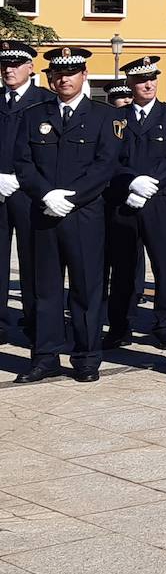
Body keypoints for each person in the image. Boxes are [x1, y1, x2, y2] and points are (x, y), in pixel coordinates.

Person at [13, 47, 121, 383]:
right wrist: (46, 194)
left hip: (84, 215)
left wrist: (71, 198)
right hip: (44, 213)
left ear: (84, 75)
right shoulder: (33, 115)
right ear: (49, 77)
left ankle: (87, 357)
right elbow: (23, 162)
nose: (64, 79)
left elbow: (106, 165)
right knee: (44, 289)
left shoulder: (104, 116)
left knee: (86, 288)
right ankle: (45, 356)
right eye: (57, 74)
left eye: (71, 72)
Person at [105, 55, 166, 349]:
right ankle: (120, 326)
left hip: (162, 200)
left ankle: (165, 325)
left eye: (151, 78)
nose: (147, 84)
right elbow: (108, 159)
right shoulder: (116, 119)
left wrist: (152, 184)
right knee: (123, 267)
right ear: (130, 83)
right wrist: (130, 182)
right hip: (125, 202)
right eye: (140, 80)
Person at [0, 40, 58, 347]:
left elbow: (49, 155)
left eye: (15, 64)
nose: (8, 70)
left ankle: (36, 319)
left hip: (29, 193)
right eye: (4, 65)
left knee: (34, 258)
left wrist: (24, 181)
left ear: (30, 67)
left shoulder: (45, 102)